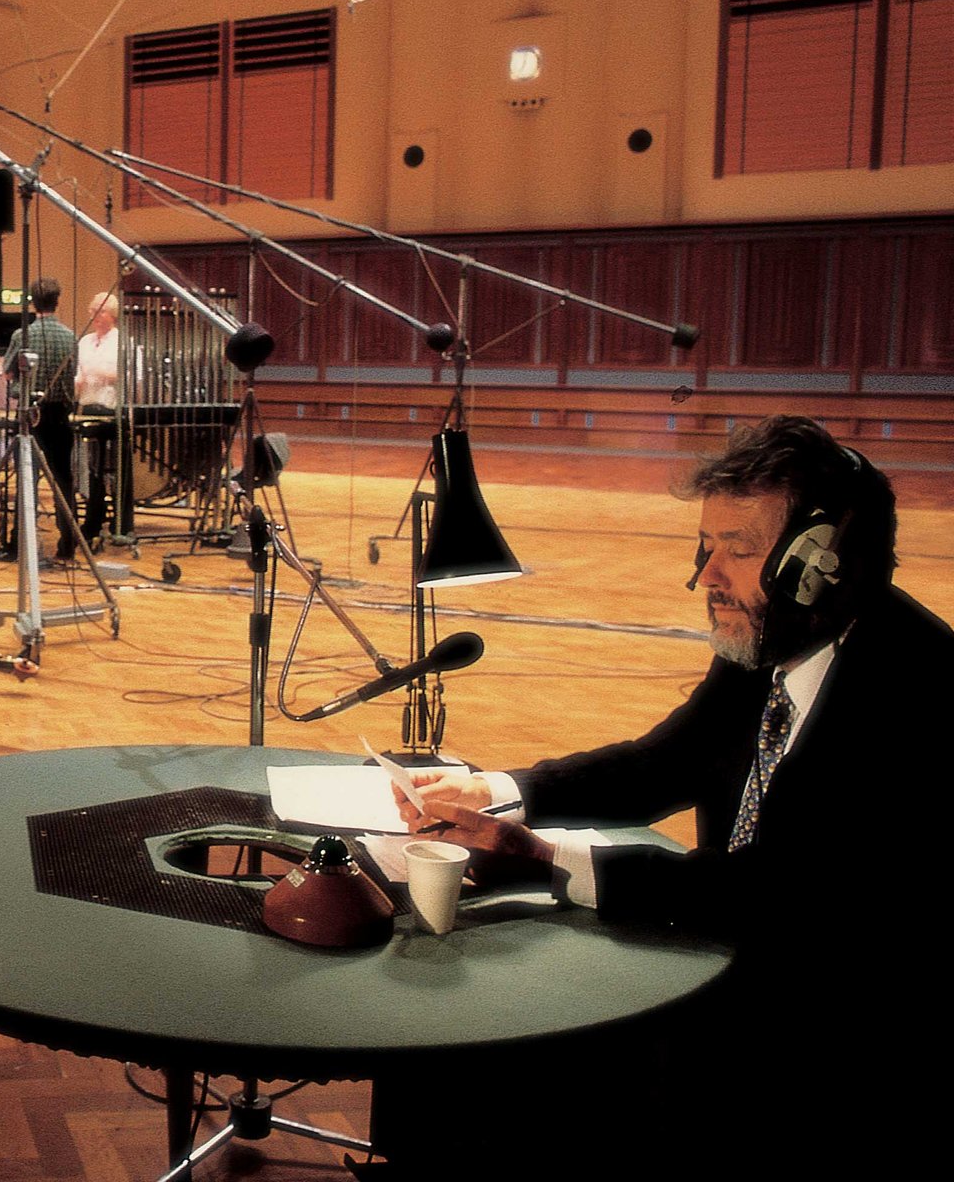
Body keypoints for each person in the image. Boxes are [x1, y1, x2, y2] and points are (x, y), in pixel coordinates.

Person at [395, 415, 949, 1166]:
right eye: (706, 545)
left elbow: (777, 890)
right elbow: (659, 763)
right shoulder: (771, 641)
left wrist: (545, 860)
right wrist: (493, 789)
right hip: (737, 969)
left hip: (829, 1043)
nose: (706, 576)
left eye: (739, 551)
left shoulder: (918, 693)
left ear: (818, 565)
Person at [3, 278, 78, 564]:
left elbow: (8, 373)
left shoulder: (21, 336)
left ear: (33, 302)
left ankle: (22, 542)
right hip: (59, 414)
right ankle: (68, 543)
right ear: (57, 301)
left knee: (27, 480)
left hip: (29, 416)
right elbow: (73, 374)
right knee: (62, 481)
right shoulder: (70, 336)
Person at [74, 289, 121, 548]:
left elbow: (128, 375)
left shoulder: (121, 341)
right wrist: (78, 381)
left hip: (110, 411)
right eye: (92, 311)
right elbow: (79, 371)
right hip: (87, 407)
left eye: (98, 311)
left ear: (110, 314)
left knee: (106, 470)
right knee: (90, 470)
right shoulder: (84, 342)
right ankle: (92, 517)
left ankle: (111, 520)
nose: (93, 316)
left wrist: (98, 372)